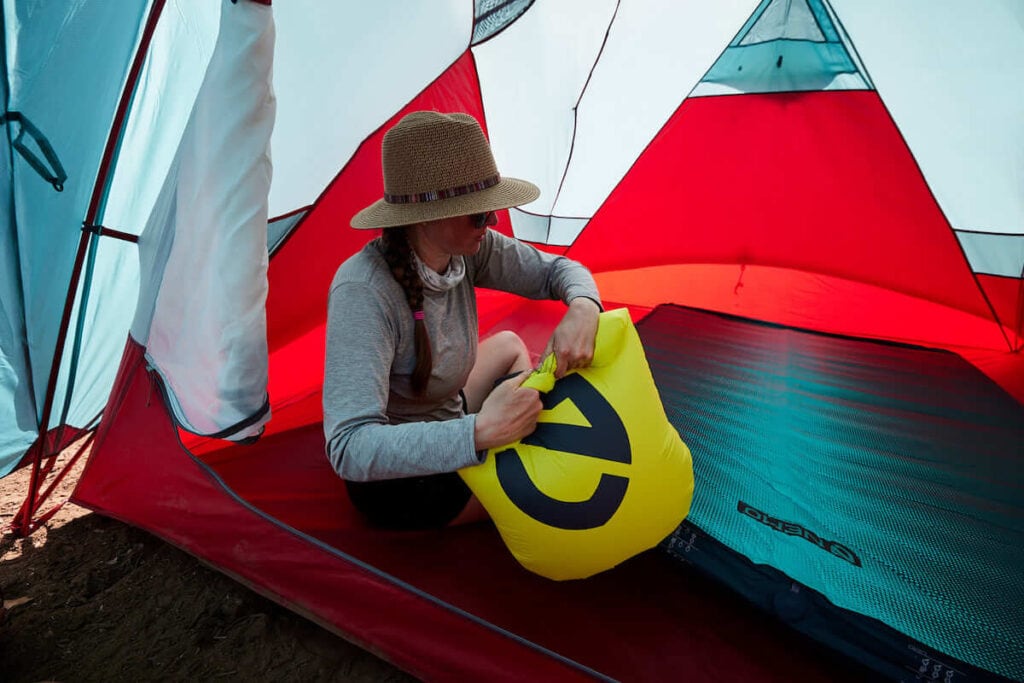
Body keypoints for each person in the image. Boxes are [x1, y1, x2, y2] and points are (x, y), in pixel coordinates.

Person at [323, 111, 602, 530]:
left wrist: (583, 306)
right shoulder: (365, 291)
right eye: (478, 213)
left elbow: (556, 272)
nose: (490, 222)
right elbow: (350, 448)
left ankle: (504, 432)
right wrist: (479, 433)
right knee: (560, 491)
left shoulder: (468, 249)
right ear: (425, 216)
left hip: (449, 413)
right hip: (402, 479)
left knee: (509, 344)